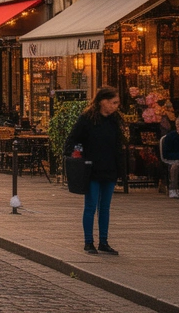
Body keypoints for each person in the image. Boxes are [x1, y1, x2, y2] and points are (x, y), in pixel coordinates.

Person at [65, 87, 124, 255]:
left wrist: (120, 169)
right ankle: (88, 241)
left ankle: (103, 241)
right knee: (90, 206)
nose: (115, 106)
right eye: (113, 102)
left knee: (105, 207)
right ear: (102, 101)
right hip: (91, 168)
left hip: (109, 168)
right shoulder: (87, 119)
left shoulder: (114, 120)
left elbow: (118, 145)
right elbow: (72, 140)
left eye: (117, 103)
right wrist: (77, 156)